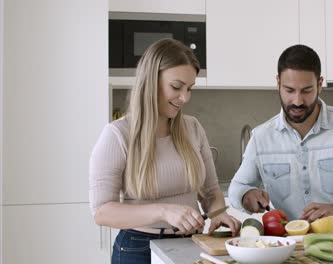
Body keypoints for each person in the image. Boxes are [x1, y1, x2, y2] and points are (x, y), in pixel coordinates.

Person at [89, 39, 240, 264]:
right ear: (151, 81)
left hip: (193, 243)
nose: (185, 97)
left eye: (189, 89)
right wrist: (163, 212)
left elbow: (211, 191)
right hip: (138, 249)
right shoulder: (117, 134)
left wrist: (219, 215)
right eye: (176, 87)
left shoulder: (193, 128)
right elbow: (102, 211)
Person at [228, 44, 333, 239]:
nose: (297, 101)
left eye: (306, 90)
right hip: (293, 253)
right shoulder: (262, 137)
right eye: (289, 90)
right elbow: (236, 187)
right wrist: (246, 195)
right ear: (278, 82)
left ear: (320, 84)